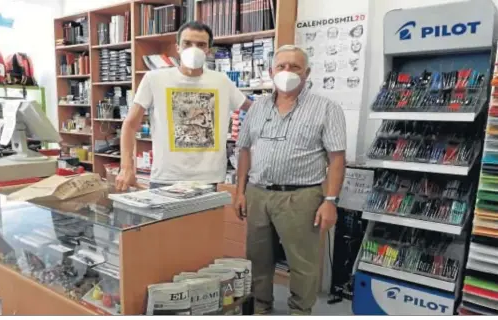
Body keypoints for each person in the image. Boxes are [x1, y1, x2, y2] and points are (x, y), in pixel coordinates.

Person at [234, 45, 346, 315]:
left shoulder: (326, 108)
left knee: (302, 262)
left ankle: (300, 311)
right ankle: (260, 306)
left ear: (306, 73)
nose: (287, 72)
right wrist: (240, 192)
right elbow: (245, 150)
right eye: (281, 66)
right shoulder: (257, 107)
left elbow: (337, 159)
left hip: (302, 197)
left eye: (294, 67)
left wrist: (330, 201)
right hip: (258, 193)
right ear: (271, 71)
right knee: (258, 259)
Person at [115, 21, 252, 191]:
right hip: (166, 178)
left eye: (201, 45)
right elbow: (130, 124)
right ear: (177, 47)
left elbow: (252, 109)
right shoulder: (154, 79)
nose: (193, 49)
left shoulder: (221, 81)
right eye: (187, 43)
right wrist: (126, 166)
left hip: (208, 179)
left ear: (208, 50)